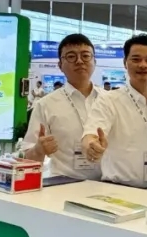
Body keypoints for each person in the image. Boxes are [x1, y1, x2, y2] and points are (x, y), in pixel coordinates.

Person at [81, 34, 147, 193]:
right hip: (120, 192)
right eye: (136, 59)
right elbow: (91, 134)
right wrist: (92, 145)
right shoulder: (108, 101)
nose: (143, 65)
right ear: (125, 63)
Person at [20, 34, 102, 180]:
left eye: (85, 56)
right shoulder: (45, 104)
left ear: (94, 62)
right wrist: (39, 149)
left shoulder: (110, 101)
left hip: (109, 184)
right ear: (60, 65)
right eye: (71, 56)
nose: (79, 61)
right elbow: (27, 158)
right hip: (64, 184)